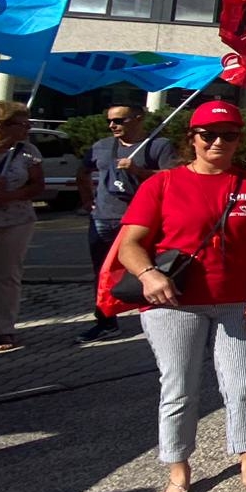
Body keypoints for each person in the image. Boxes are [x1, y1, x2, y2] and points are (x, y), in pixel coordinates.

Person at [116, 101, 246, 492]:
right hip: (175, 303)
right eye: (208, 134)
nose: (218, 142)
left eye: (229, 135)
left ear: (239, 140)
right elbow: (130, 244)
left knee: (243, 387)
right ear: (192, 138)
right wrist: (150, 274)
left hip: (236, 302)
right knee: (180, 389)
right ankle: (178, 472)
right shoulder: (163, 184)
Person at [77, 103, 177, 343]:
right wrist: (88, 201)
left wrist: (139, 171)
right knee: (103, 273)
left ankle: (158, 315)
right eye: (110, 121)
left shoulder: (158, 146)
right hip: (104, 218)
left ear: (138, 119)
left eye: (120, 120)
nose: (113, 125)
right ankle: (105, 321)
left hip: (143, 221)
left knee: (151, 268)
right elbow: (82, 173)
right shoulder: (101, 147)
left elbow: (172, 179)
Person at [0, 102, 43, 352]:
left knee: (6, 275)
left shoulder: (27, 151)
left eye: (29, 124)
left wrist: (11, 195)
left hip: (15, 221)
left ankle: (4, 330)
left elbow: (38, 186)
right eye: (22, 124)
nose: (28, 129)